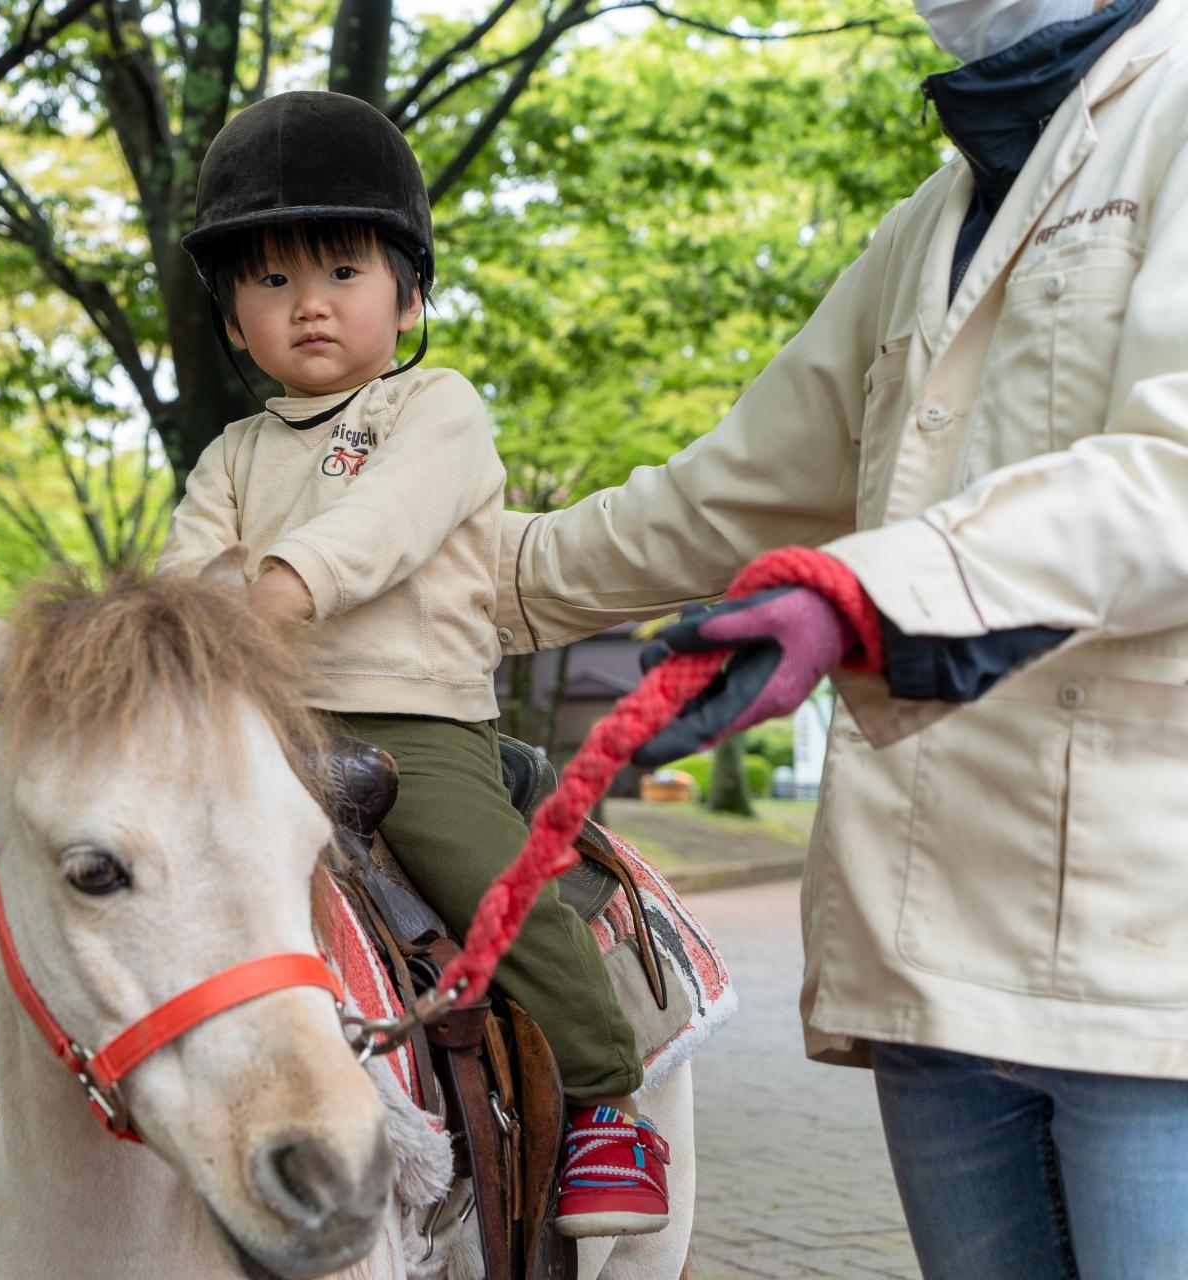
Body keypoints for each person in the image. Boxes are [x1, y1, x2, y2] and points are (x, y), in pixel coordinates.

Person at [0, 91, 671, 1239]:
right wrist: (176, 641)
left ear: (409, 295)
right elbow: (186, 575)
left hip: (412, 725)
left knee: (493, 883)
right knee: (95, 865)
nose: (309, 302)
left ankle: (606, 1095)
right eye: (269, 281)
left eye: (344, 271)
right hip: (254, 731)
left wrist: (280, 586)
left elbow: (386, 522)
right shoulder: (233, 454)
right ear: (232, 319)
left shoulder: (437, 409)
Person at [493, 0, 1188, 1274]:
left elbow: (1174, 473)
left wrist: (858, 596)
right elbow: (722, 496)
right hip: (929, 959)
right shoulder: (929, 220)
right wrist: (446, 575)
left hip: (1147, 967)